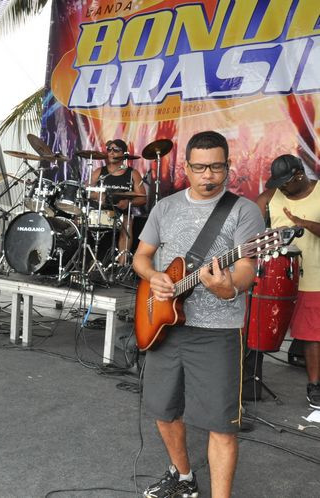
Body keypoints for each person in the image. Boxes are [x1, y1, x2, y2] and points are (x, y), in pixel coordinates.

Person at [132, 131, 264, 498]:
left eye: (217, 167)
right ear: (186, 168)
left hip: (217, 331)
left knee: (221, 424)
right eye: (201, 168)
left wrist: (229, 287)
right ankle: (184, 476)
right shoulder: (166, 207)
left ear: (228, 166)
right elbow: (141, 257)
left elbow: (246, 270)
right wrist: (154, 277)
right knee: (162, 409)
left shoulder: (244, 211)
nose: (209, 176)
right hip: (164, 325)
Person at [256, 154, 320, 409]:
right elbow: (249, 227)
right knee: (258, 328)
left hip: (313, 277)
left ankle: (314, 386)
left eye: (286, 182)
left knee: (313, 335)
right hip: (276, 279)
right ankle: (247, 382)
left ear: (299, 176)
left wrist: (303, 224)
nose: (281, 186)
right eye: (278, 182)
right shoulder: (270, 197)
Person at [89, 139, 146, 264]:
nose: (111, 153)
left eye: (116, 150)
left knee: (128, 220)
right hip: (100, 211)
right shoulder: (100, 172)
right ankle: (89, 261)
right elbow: (87, 191)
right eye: (109, 149)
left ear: (124, 153)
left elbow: (143, 198)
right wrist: (98, 196)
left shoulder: (132, 173)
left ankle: (122, 264)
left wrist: (129, 203)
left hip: (121, 213)